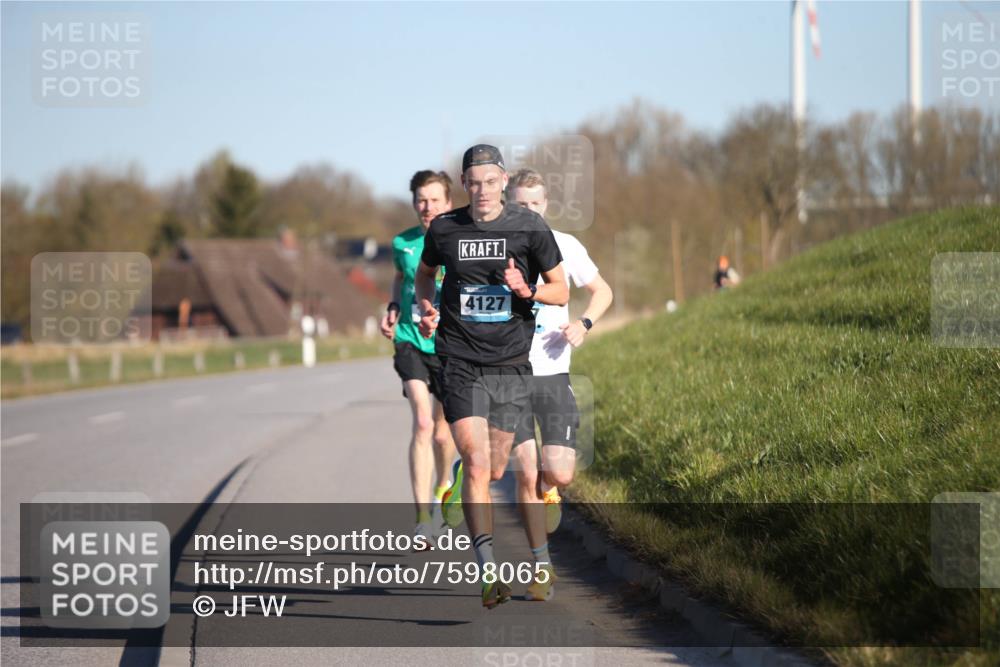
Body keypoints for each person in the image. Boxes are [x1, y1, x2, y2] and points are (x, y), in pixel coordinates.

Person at [414, 145, 568, 608]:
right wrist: (426, 306)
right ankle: (488, 575)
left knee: (498, 468)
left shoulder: (529, 226)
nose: (481, 191)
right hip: (458, 359)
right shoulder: (445, 228)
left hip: (510, 365)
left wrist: (529, 290)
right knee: (480, 465)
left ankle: (536, 562)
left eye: (489, 181)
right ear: (465, 184)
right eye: (473, 183)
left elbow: (561, 289)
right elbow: (425, 276)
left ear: (503, 180)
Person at [508, 168, 613, 601]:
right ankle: (542, 566)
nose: (529, 211)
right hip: (508, 374)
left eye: (535, 204)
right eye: (520, 205)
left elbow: (603, 291)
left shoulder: (566, 246)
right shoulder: (497, 249)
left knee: (559, 473)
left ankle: (550, 490)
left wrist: (584, 324)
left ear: (546, 205)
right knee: (525, 471)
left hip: (553, 376)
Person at [379, 170, 457, 547]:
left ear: (448, 202)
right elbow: (399, 278)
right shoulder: (403, 242)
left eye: (434, 200)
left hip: (449, 346)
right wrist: (394, 305)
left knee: (444, 433)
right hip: (410, 341)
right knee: (423, 424)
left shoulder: (461, 240)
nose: (427, 207)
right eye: (420, 200)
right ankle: (423, 515)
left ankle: (444, 484)